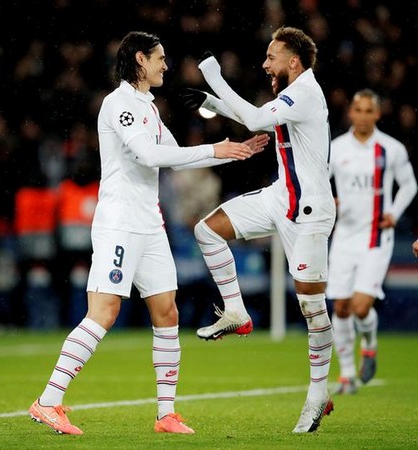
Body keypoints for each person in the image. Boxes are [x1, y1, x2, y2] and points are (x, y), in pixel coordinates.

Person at [28, 31, 269, 436]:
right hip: (119, 222)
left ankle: (166, 414)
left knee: (167, 312)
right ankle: (48, 402)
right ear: (140, 59)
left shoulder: (148, 107)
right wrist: (215, 150)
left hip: (149, 224)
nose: (165, 65)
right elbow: (149, 154)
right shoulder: (119, 103)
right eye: (160, 58)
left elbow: (172, 158)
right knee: (103, 312)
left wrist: (230, 151)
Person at [181, 26, 335, 433]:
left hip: (310, 211)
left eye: (272, 57)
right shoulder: (291, 94)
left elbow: (252, 118)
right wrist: (211, 101)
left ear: (294, 62)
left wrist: (213, 77)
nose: (265, 64)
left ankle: (318, 394)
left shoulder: (305, 92)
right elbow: (259, 120)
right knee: (207, 230)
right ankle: (236, 311)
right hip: (280, 196)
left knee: (310, 307)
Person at [326, 89, 417, 394]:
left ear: (377, 114)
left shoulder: (390, 149)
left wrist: (394, 211)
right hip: (344, 236)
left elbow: (409, 185)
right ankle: (347, 375)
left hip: (376, 238)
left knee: (360, 306)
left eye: (369, 110)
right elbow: (319, 183)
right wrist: (329, 201)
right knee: (340, 307)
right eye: (358, 109)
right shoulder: (336, 149)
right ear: (350, 113)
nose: (363, 115)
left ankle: (370, 344)